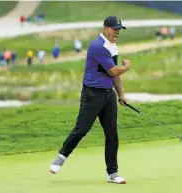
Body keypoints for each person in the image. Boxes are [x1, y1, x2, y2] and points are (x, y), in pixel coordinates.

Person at [49, 16, 131, 184]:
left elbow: (115, 77)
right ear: (105, 28)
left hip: (108, 95)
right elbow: (114, 71)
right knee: (81, 129)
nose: (117, 32)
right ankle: (61, 157)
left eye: (119, 29)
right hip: (92, 94)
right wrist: (126, 67)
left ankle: (112, 173)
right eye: (114, 28)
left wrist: (121, 94)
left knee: (112, 134)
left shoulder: (112, 46)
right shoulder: (97, 46)